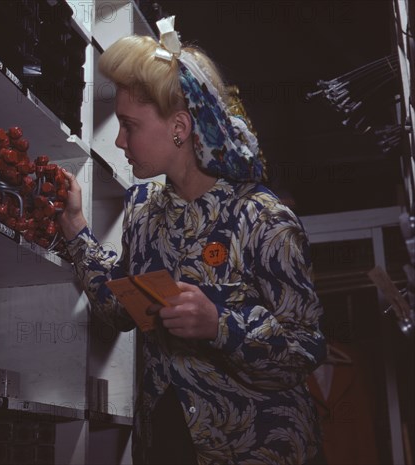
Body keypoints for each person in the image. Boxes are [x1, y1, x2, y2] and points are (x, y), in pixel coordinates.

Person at [58, 16, 327, 465]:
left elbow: (306, 347)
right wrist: (75, 230)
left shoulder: (263, 219)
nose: (120, 140)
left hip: (256, 448)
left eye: (130, 125)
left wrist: (220, 325)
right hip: (165, 442)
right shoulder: (142, 209)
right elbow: (120, 307)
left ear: (179, 126)